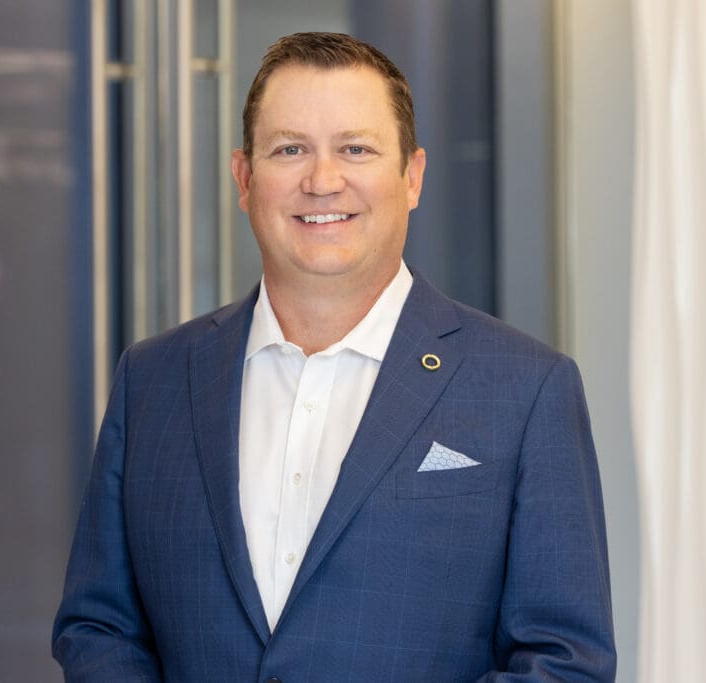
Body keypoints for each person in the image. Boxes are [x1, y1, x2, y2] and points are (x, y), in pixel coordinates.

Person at [53, 32, 616, 681]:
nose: (322, 181)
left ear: (412, 177)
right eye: (290, 149)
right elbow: (99, 627)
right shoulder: (152, 380)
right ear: (244, 178)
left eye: (356, 149)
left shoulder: (526, 389)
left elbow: (564, 661)